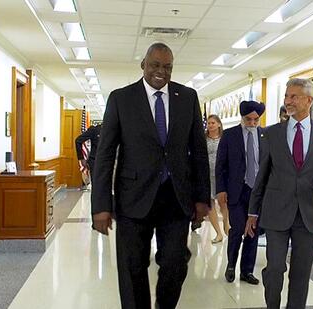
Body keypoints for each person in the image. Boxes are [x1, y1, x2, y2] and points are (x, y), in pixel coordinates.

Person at [91, 42, 210, 309]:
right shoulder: (121, 99)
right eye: (155, 65)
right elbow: (106, 155)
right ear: (143, 64)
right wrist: (101, 206)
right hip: (133, 198)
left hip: (176, 198)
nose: (161, 71)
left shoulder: (188, 97)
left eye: (167, 67)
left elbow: (199, 153)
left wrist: (202, 198)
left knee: (175, 263)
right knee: (132, 267)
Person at [245, 78, 313, 309]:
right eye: (286, 96)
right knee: (275, 268)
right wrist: (252, 213)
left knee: (301, 273)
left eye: (293, 96)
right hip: (276, 212)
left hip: (308, 215)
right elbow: (262, 177)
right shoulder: (272, 134)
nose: (287, 101)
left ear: (309, 100)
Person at [216, 100, 265, 285]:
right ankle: (231, 265)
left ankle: (247, 271)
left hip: (257, 193)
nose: (252, 123)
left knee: (252, 232)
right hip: (237, 190)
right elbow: (220, 165)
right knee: (237, 230)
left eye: (255, 120)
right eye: (248, 119)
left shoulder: (264, 135)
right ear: (242, 117)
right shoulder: (229, 135)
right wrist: (220, 189)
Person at [205, 114, 230, 243]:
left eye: (213, 123)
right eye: (209, 123)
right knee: (209, 203)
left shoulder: (225, 138)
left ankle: (226, 223)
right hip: (206, 174)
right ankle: (218, 233)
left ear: (219, 124)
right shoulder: (203, 139)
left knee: (222, 202)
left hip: (221, 174)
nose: (210, 125)